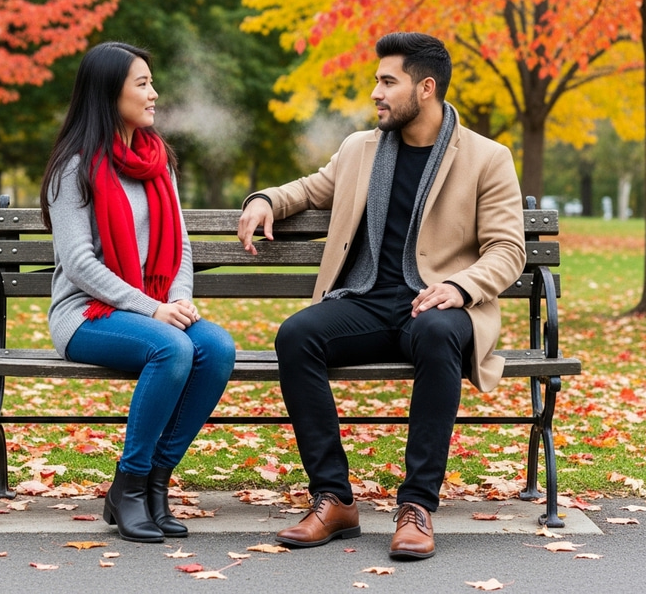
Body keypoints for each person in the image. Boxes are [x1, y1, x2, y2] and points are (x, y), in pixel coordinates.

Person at [237, 31, 526, 560]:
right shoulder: (359, 148)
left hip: (437, 305)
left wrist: (459, 287)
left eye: (388, 81)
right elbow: (308, 190)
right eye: (376, 80)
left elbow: (507, 249)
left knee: (439, 334)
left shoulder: (487, 157)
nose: (376, 92)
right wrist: (264, 201)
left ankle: (417, 507)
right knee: (297, 335)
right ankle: (333, 499)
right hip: (367, 301)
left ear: (426, 88)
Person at [40, 41, 236, 543]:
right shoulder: (74, 167)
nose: (154, 94)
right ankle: (127, 486)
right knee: (169, 346)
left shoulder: (157, 160)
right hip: (85, 315)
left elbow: (182, 245)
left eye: (152, 82)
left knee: (215, 348)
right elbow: (80, 264)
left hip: (151, 309)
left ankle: (154, 483)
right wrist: (155, 310)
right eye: (142, 84)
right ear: (110, 93)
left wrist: (180, 300)